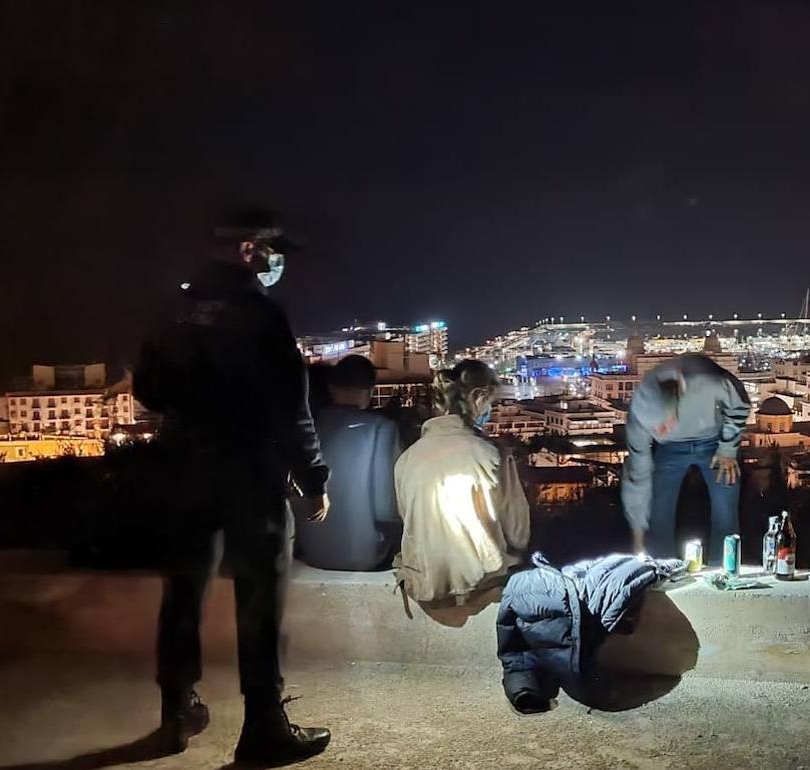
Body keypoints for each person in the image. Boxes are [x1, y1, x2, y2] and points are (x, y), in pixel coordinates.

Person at [133, 209, 332, 763]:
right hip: (249, 471)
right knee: (259, 597)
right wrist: (314, 479)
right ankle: (264, 726)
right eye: (273, 252)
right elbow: (292, 410)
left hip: (181, 468)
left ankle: (176, 712)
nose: (277, 263)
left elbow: (148, 394)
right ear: (249, 250)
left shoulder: (172, 312)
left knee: (182, 593)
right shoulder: (260, 315)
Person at [392, 359, 530, 603]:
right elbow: (519, 534)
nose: (490, 411)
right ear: (478, 397)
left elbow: (409, 523)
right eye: (490, 402)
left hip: (422, 585)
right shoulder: (493, 453)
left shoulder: (407, 459)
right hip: (481, 582)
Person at [623, 353, 750, 563]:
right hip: (669, 449)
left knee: (725, 507)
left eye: (664, 424)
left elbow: (740, 404)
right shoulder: (639, 412)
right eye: (654, 429)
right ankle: (661, 569)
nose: (660, 431)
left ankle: (724, 568)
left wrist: (728, 448)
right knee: (658, 511)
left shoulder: (706, 379)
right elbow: (638, 472)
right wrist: (638, 530)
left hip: (713, 440)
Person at [294, 355, 403, 572]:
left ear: (331, 387)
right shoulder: (381, 428)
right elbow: (387, 507)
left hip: (312, 551)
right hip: (364, 553)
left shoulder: (310, 426)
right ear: (370, 390)